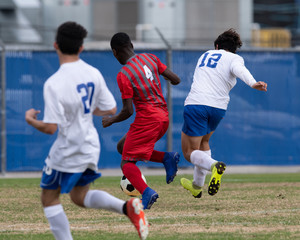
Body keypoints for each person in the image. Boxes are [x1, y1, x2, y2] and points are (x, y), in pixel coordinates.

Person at [25, 22, 148, 240]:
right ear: (81, 47)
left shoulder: (54, 83)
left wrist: (31, 120)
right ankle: (128, 208)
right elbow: (110, 108)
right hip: (90, 145)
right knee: (79, 196)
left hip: (68, 147)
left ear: (56, 46)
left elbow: (50, 128)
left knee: (49, 198)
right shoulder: (93, 73)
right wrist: (84, 108)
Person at [180, 29, 268, 198]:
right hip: (218, 108)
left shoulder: (206, 54)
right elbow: (239, 69)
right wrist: (253, 83)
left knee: (189, 151)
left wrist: (252, 83)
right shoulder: (235, 58)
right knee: (204, 143)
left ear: (217, 46)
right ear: (234, 49)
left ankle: (214, 166)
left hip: (197, 103)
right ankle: (197, 186)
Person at [102, 32, 181, 210]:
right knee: (122, 147)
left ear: (115, 52)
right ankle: (167, 158)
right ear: (132, 45)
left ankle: (147, 192)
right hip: (163, 118)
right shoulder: (151, 58)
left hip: (148, 120)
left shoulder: (124, 74)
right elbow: (176, 79)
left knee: (126, 162)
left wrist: (112, 120)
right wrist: (162, 76)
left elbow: (128, 111)